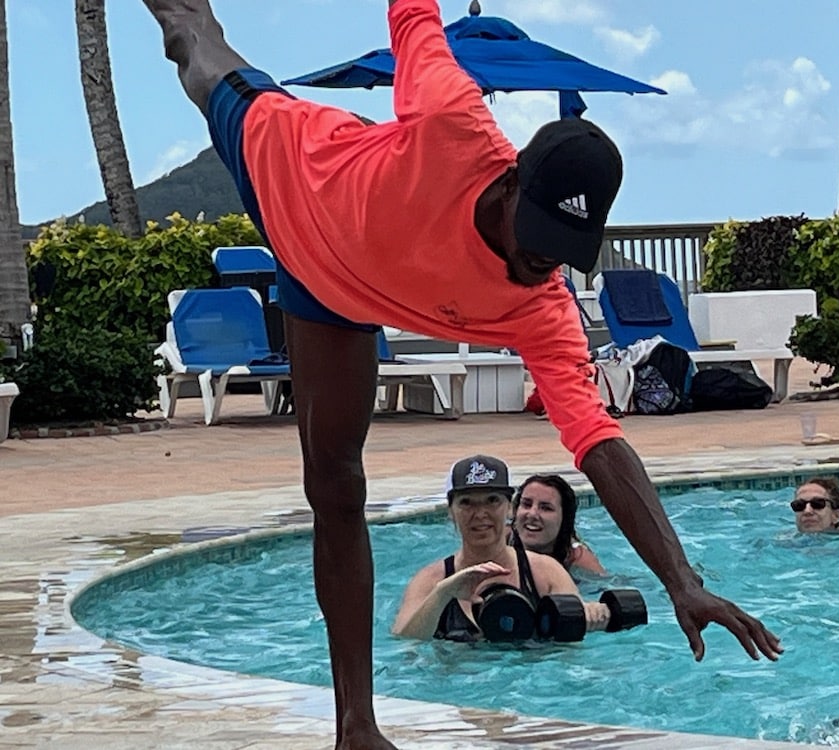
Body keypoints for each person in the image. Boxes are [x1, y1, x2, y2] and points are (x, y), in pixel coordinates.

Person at [142, 1, 781, 746]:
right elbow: (413, 13)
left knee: (337, 486)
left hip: (330, 298)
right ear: (510, 184)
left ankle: (356, 727)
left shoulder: (541, 308)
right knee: (192, 42)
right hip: (287, 165)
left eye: (561, 249)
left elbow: (598, 441)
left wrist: (681, 580)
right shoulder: (452, 114)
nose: (538, 262)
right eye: (536, 236)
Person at [393, 455, 609, 641]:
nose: (480, 513)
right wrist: (444, 593)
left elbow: (571, 658)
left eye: (492, 501)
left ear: (509, 509)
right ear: (451, 512)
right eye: (466, 502)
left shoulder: (546, 573)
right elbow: (404, 644)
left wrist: (593, 615)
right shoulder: (431, 581)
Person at [511, 474, 606, 575]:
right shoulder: (501, 540)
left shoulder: (578, 560)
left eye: (546, 508)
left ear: (564, 519)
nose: (532, 514)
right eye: (526, 504)